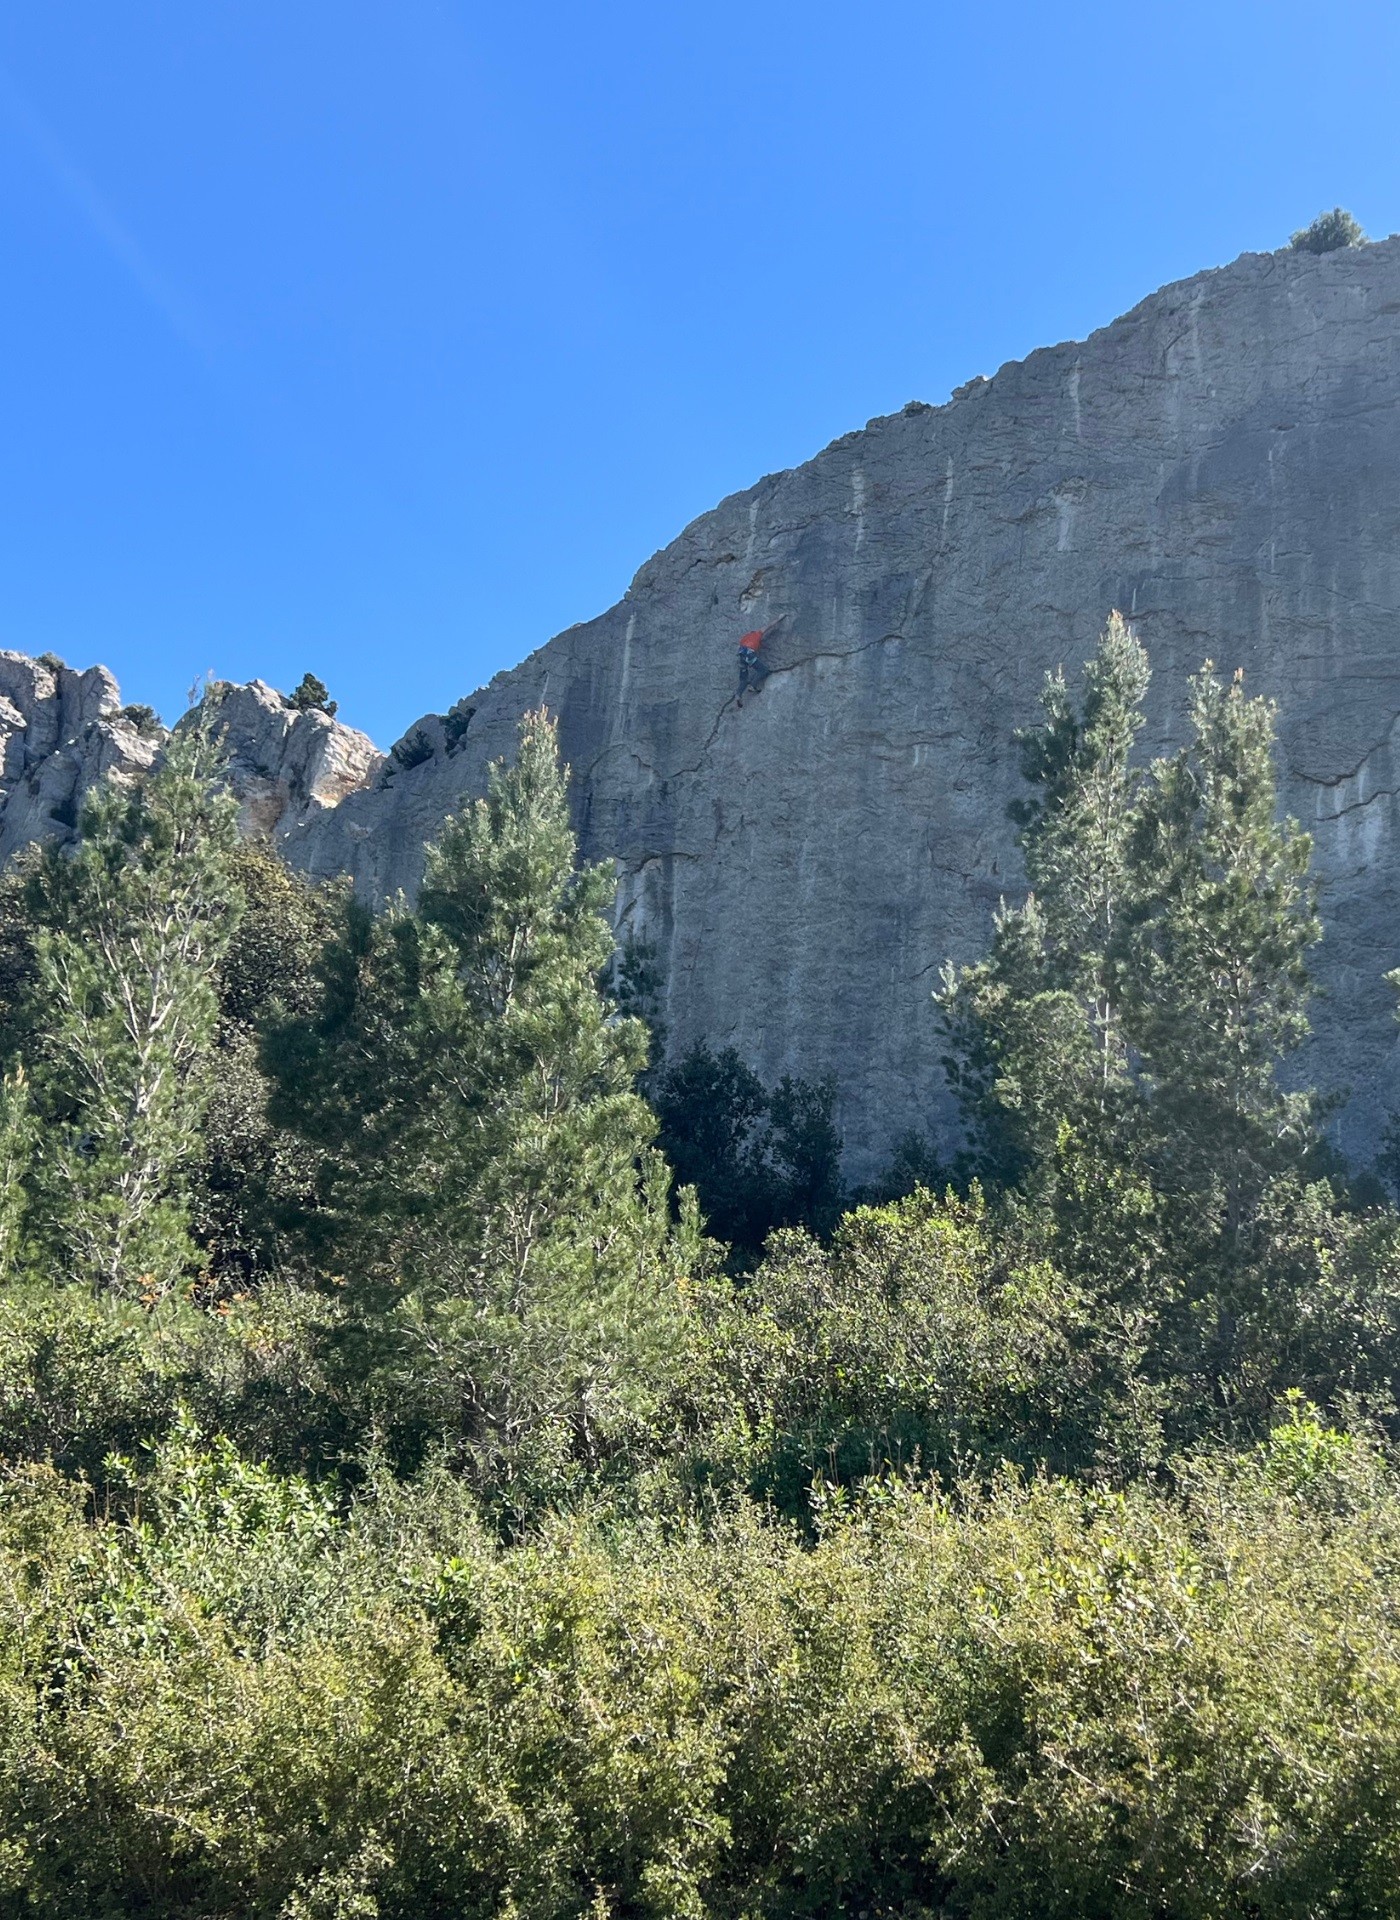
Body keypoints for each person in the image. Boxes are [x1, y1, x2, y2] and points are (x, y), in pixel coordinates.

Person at [736, 619, 782, 700]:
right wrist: (780, 617)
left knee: (743, 679)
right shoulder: (758, 633)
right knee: (763, 670)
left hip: (742, 656)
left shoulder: (744, 638)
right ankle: (753, 685)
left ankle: (738, 694)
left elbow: (739, 647)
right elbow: (769, 625)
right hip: (749, 654)